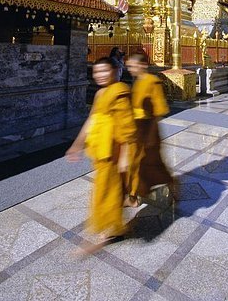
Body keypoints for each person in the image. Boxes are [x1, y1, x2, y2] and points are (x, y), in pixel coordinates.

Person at [65, 57, 136, 255]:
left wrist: (125, 155)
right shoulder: (100, 94)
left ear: (115, 71)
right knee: (104, 187)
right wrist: (76, 145)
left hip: (116, 149)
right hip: (101, 148)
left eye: (105, 71)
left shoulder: (121, 91)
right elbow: (92, 120)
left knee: (109, 189)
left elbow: (127, 126)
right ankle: (111, 224)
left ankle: (112, 229)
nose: (100, 75)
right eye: (97, 71)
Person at [126, 53, 175, 206]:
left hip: (148, 129)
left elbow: (157, 112)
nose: (130, 69)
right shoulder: (138, 82)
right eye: (129, 67)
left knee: (152, 164)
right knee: (134, 164)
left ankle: (172, 184)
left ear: (143, 65)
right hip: (136, 129)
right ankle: (133, 196)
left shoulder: (153, 82)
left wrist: (151, 135)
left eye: (132, 66)